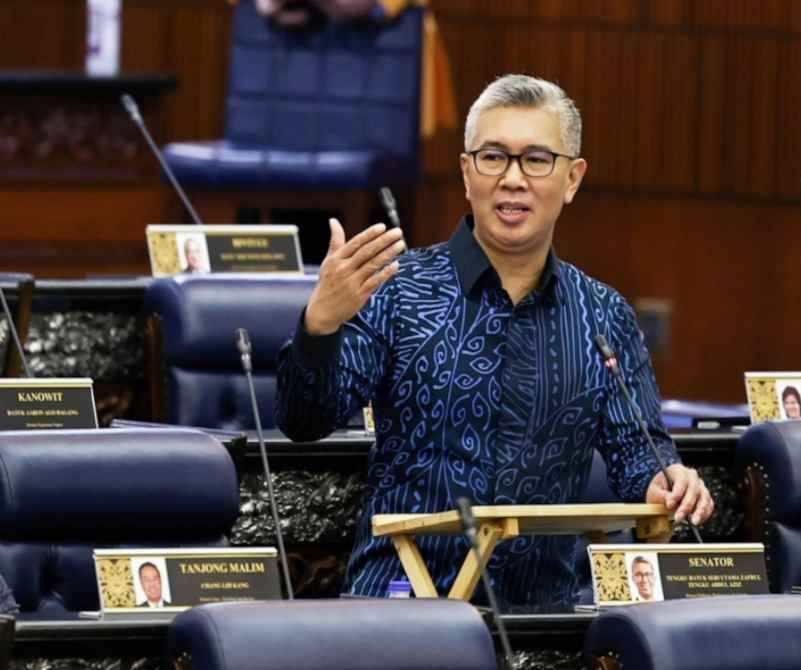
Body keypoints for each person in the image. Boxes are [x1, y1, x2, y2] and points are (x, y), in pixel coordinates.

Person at [275, 74, 714, 609]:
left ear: (572, 179)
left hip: (540, 622)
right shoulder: (398, 290)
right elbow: (305, 419)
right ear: (466, 173)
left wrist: (666, 484)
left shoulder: (603, 315)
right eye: (493, 157)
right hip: (401, 609)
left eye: (536, 159)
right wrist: (320, 326)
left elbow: (635, 454)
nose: (512, 179)